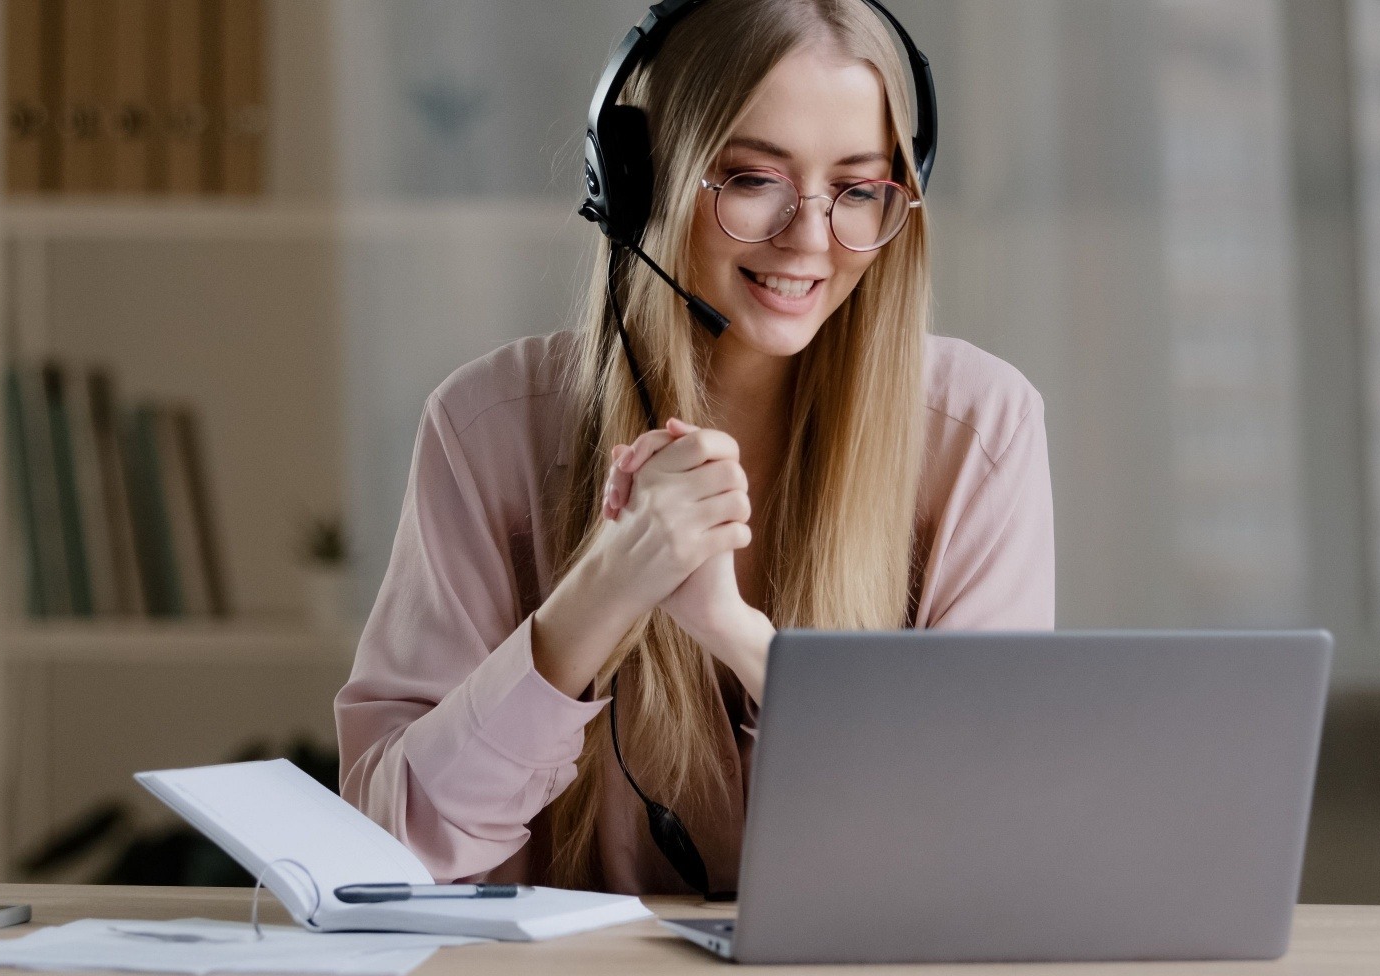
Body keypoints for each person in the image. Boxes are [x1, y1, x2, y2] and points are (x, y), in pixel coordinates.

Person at [335, 0, 1053, 897]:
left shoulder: (977, 432)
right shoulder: (489, 430)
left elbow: (980, 841)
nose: (808, 237)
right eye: (755, 179)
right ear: (639, 179)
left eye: (859, 191)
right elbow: (380, 850)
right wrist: (602, 590)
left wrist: (737, 636)